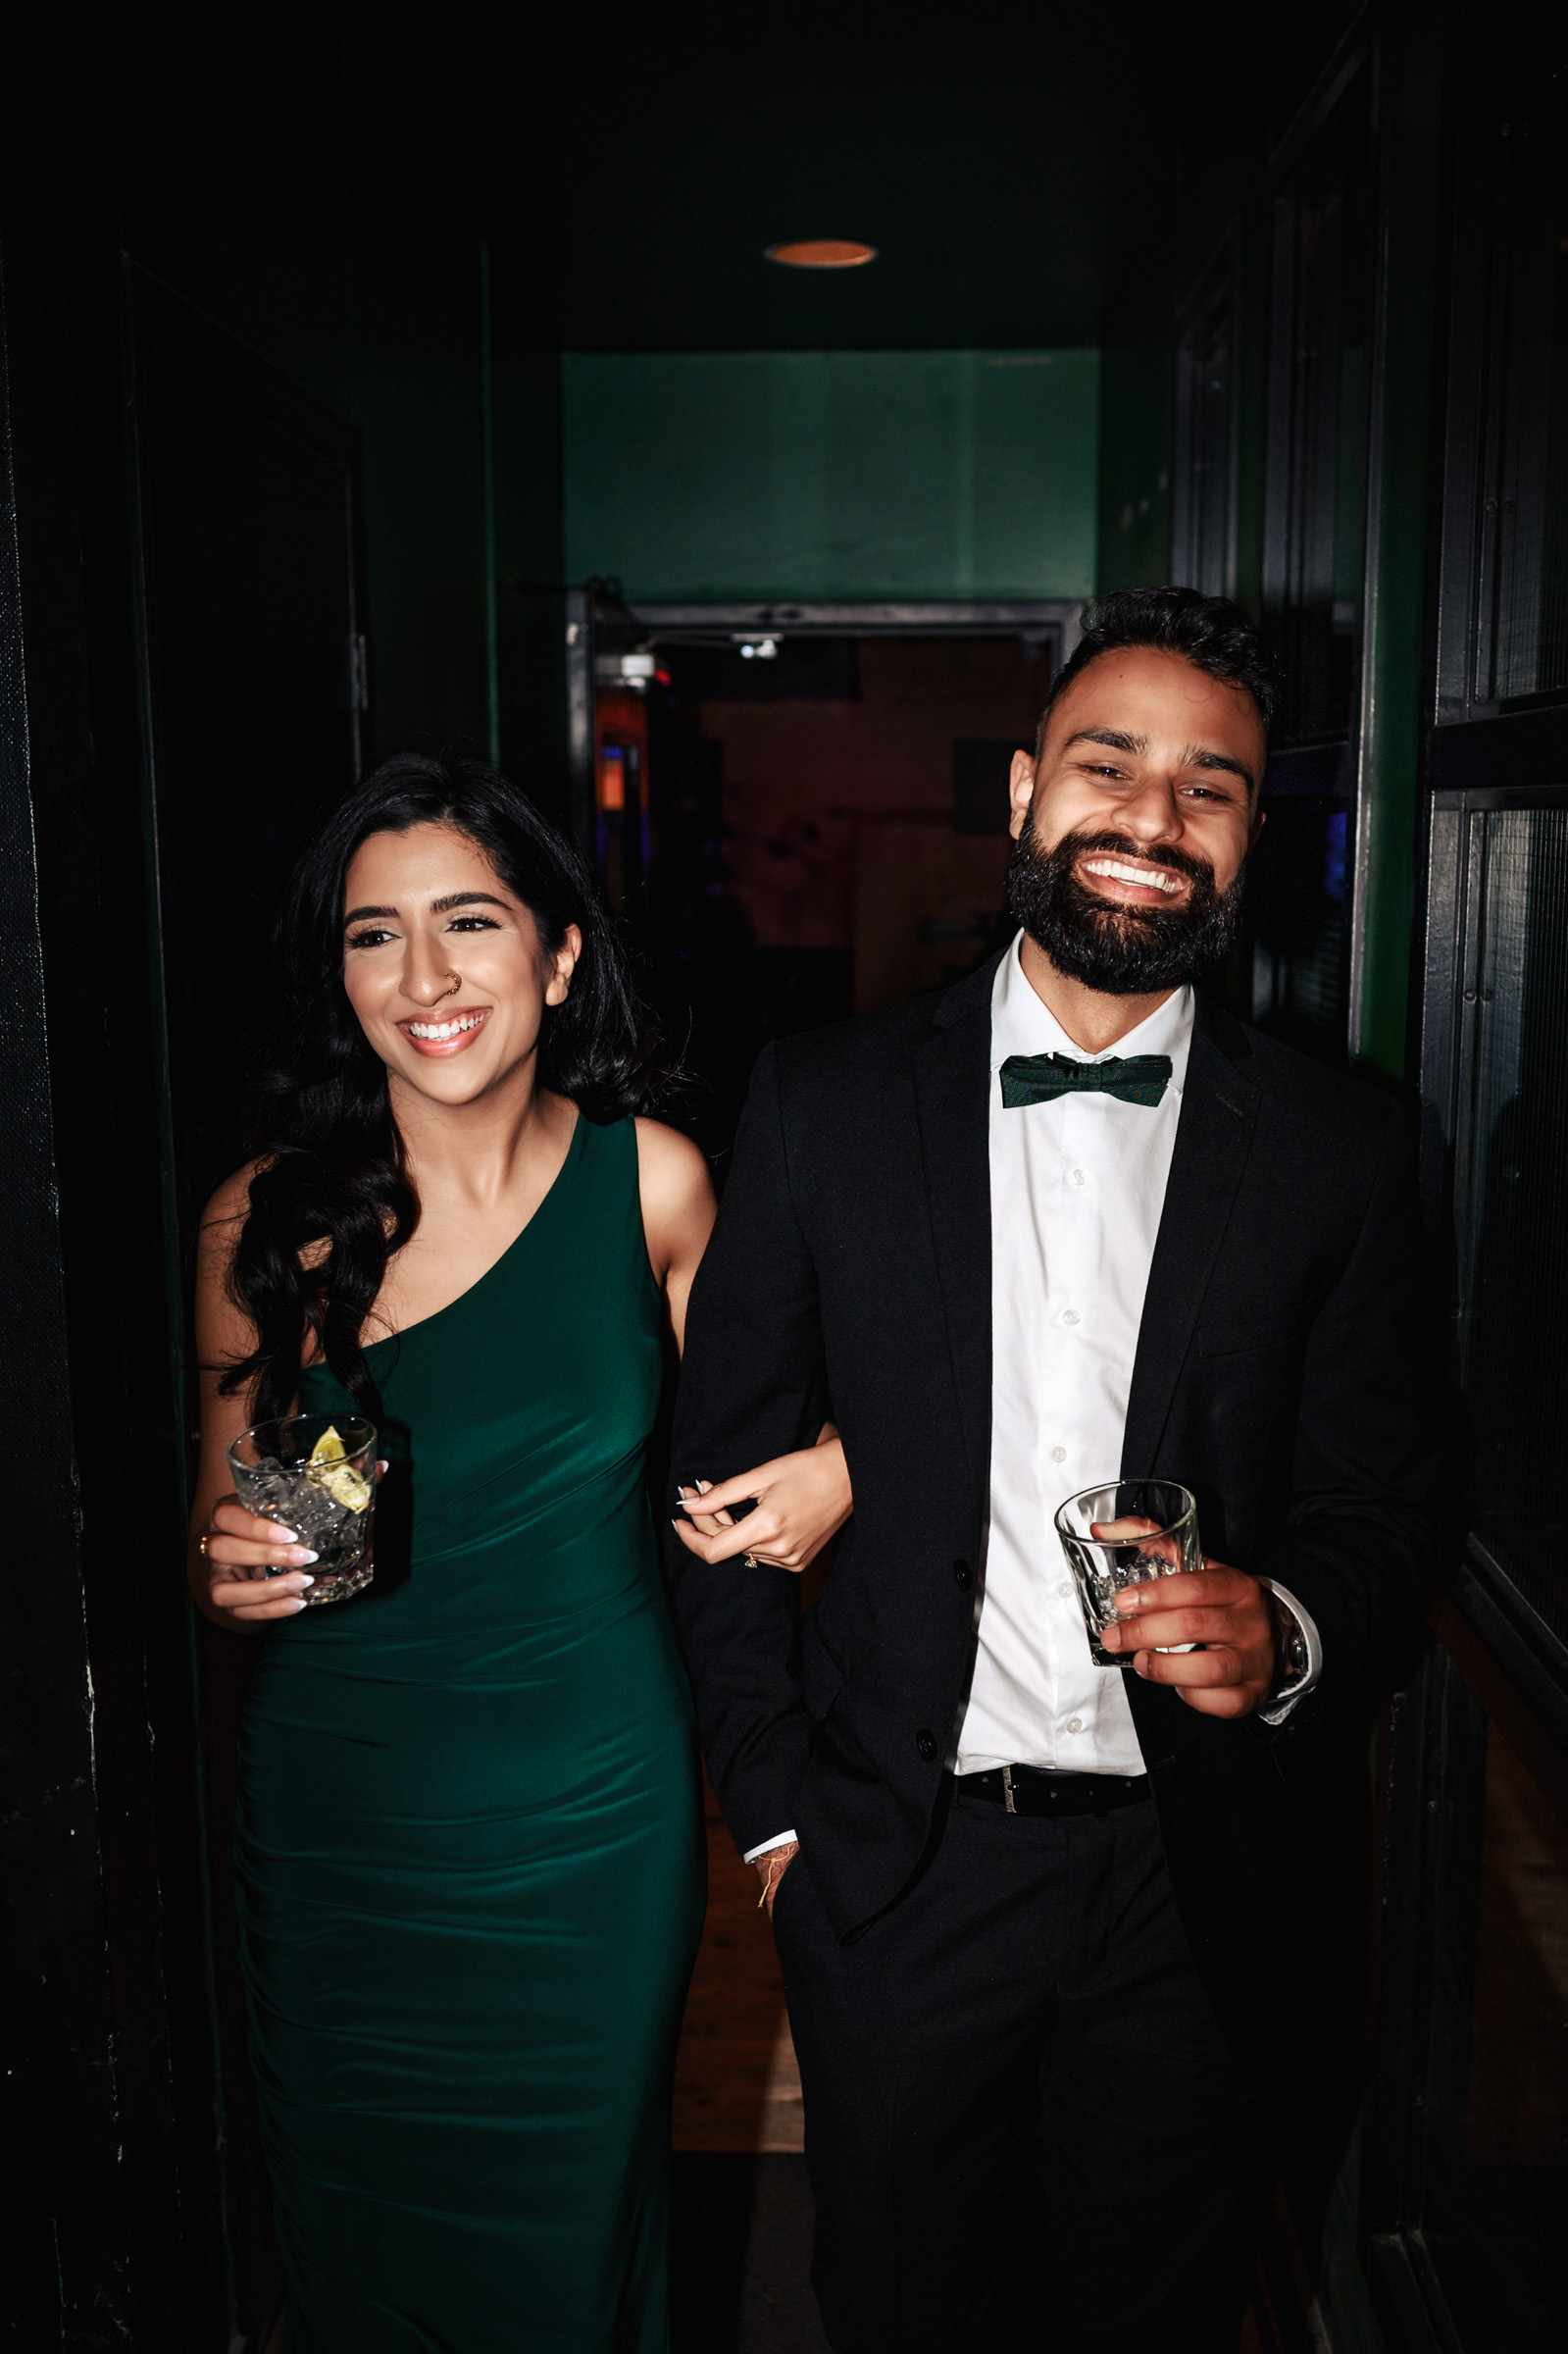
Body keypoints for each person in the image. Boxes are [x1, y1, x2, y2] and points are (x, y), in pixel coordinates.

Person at [667, 589, 1434, 2353]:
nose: (1155, 819)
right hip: (902, 1860)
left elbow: (1391, 1501)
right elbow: (715, 1501)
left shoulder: (1341, 1149)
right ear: (1022, 792)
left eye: (1211, 787)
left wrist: (1295, 1627)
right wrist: (782, 1823)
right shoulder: (821, 1105)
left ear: (1255, 840)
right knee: (904, 2309)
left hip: (1199, 1879)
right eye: (1110, 764)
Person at [187, 753, 849, 2353]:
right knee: (354, 2249)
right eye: (372, 935)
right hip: (342, 1817)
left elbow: (786, 1458)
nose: (421, 978)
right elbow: (222, 1531)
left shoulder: (661, 1183)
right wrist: (224, 1562)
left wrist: (843, 1469)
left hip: (587, 1821)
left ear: (557, 955)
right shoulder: (264, 1222)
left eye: (468, 923)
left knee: (567, 2251)